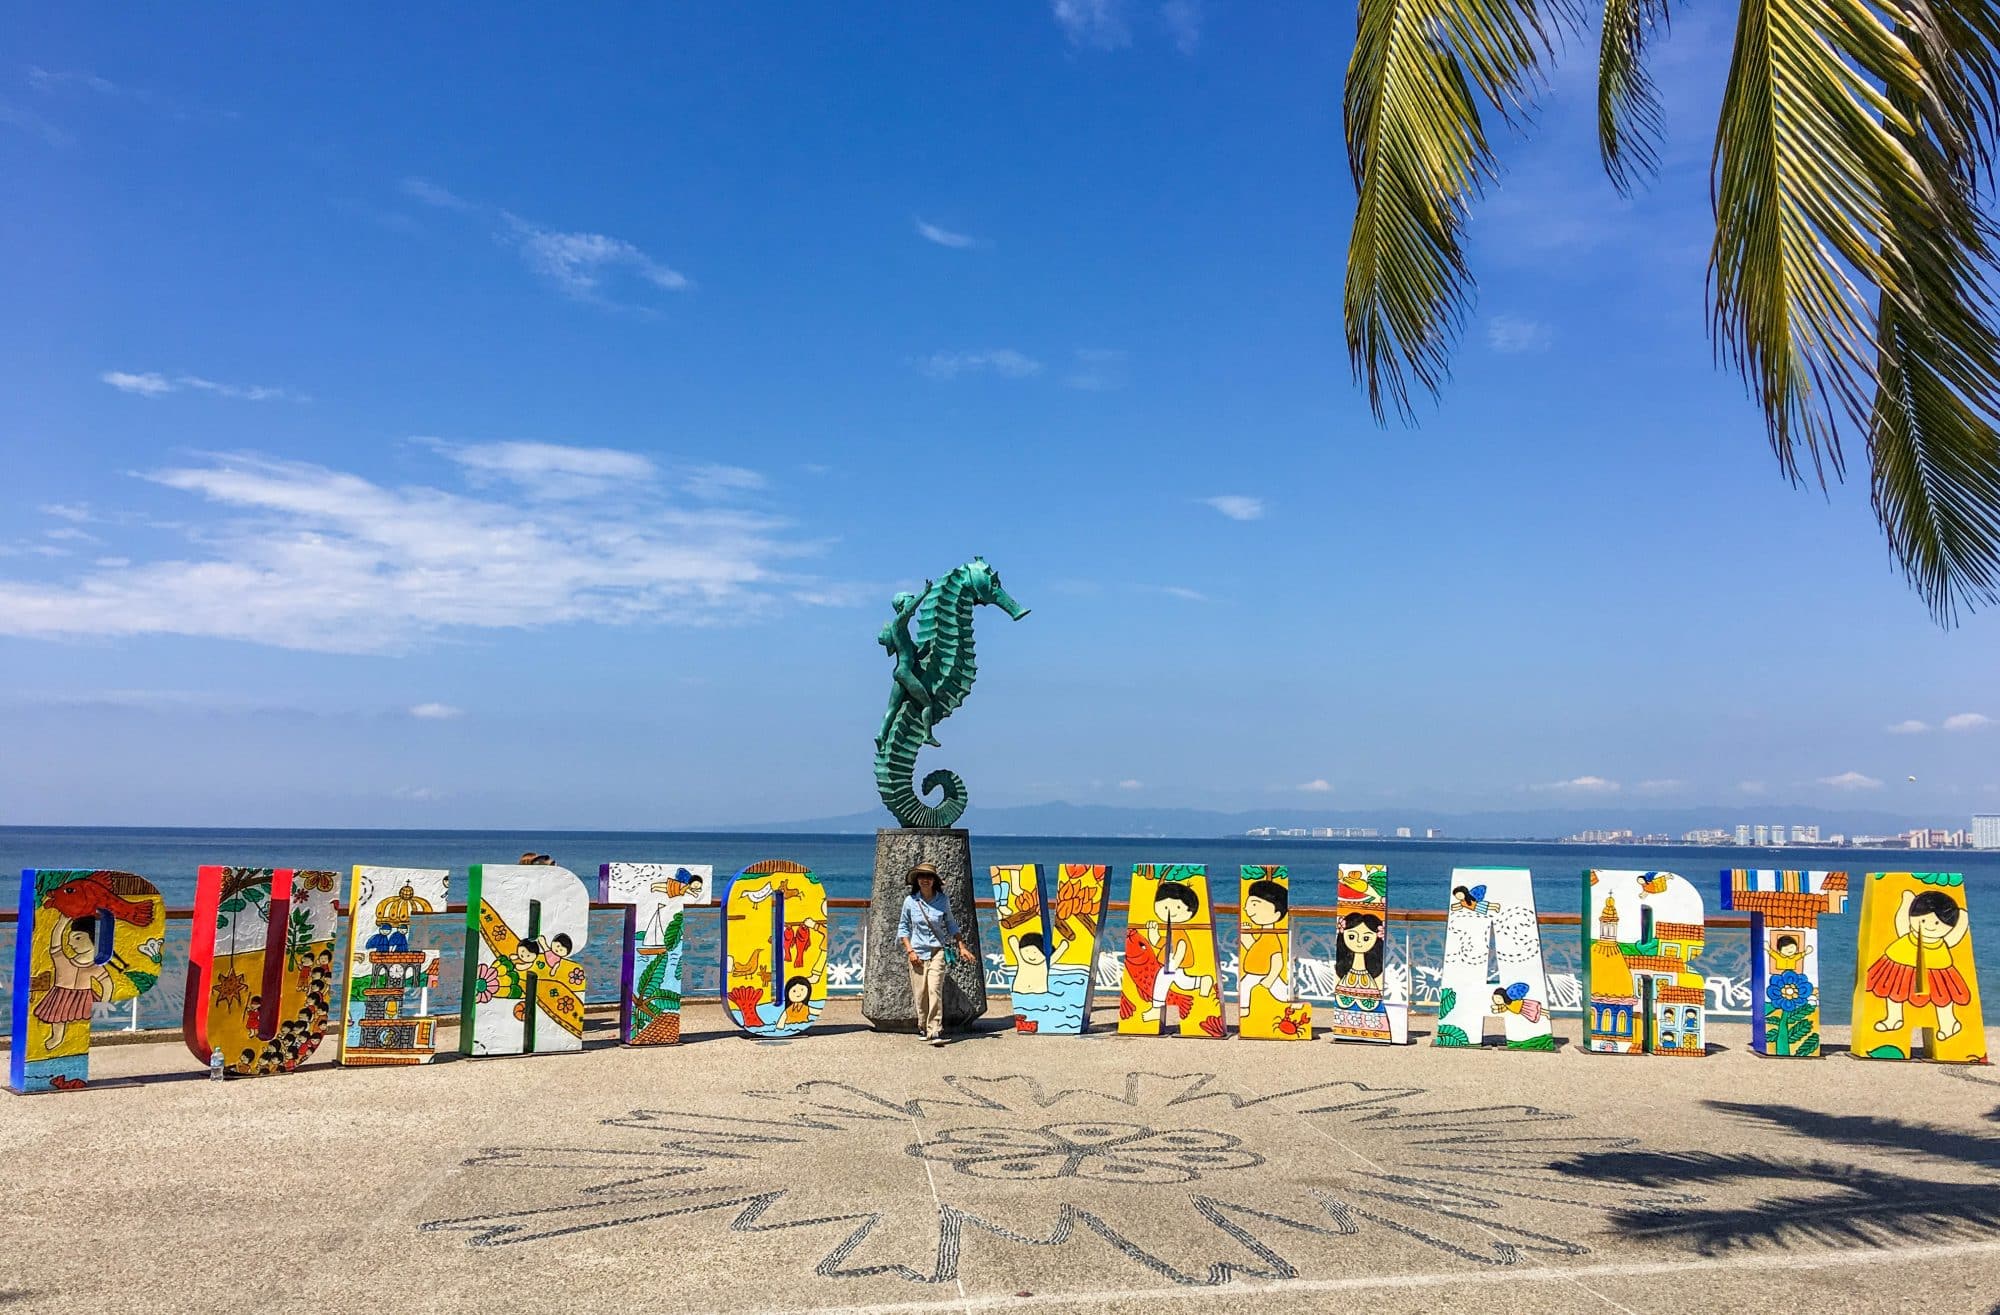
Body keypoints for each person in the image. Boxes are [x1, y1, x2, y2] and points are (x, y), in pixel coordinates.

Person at [1865, 888, 1973, 1040]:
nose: (1930, 926)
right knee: (1893, 992)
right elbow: (1901, 922)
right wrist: (1906, 902)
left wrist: (1962, 921)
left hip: (1936, 970)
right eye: (1923, 920)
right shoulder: (1908, 935)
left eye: (1937, 922)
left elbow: (1955, 937)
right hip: (1899, 964)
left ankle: (1949, 1023)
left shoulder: (1941, 943)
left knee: (1943, 999)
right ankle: (1894, 1018)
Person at [897, 862, 971, 1046]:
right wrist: (910, 951)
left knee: (934, 989)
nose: (925, 880)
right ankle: (923, 1026)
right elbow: (903, 927)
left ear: (934, 881)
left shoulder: (942, 900)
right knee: (920, 993)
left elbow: (951, 924)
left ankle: (935, 1030)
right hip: (917, 953)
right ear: (917, 880)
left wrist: (961, 946)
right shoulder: (910, 901)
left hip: (937, 950)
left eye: (929, 877)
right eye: (922, 877)